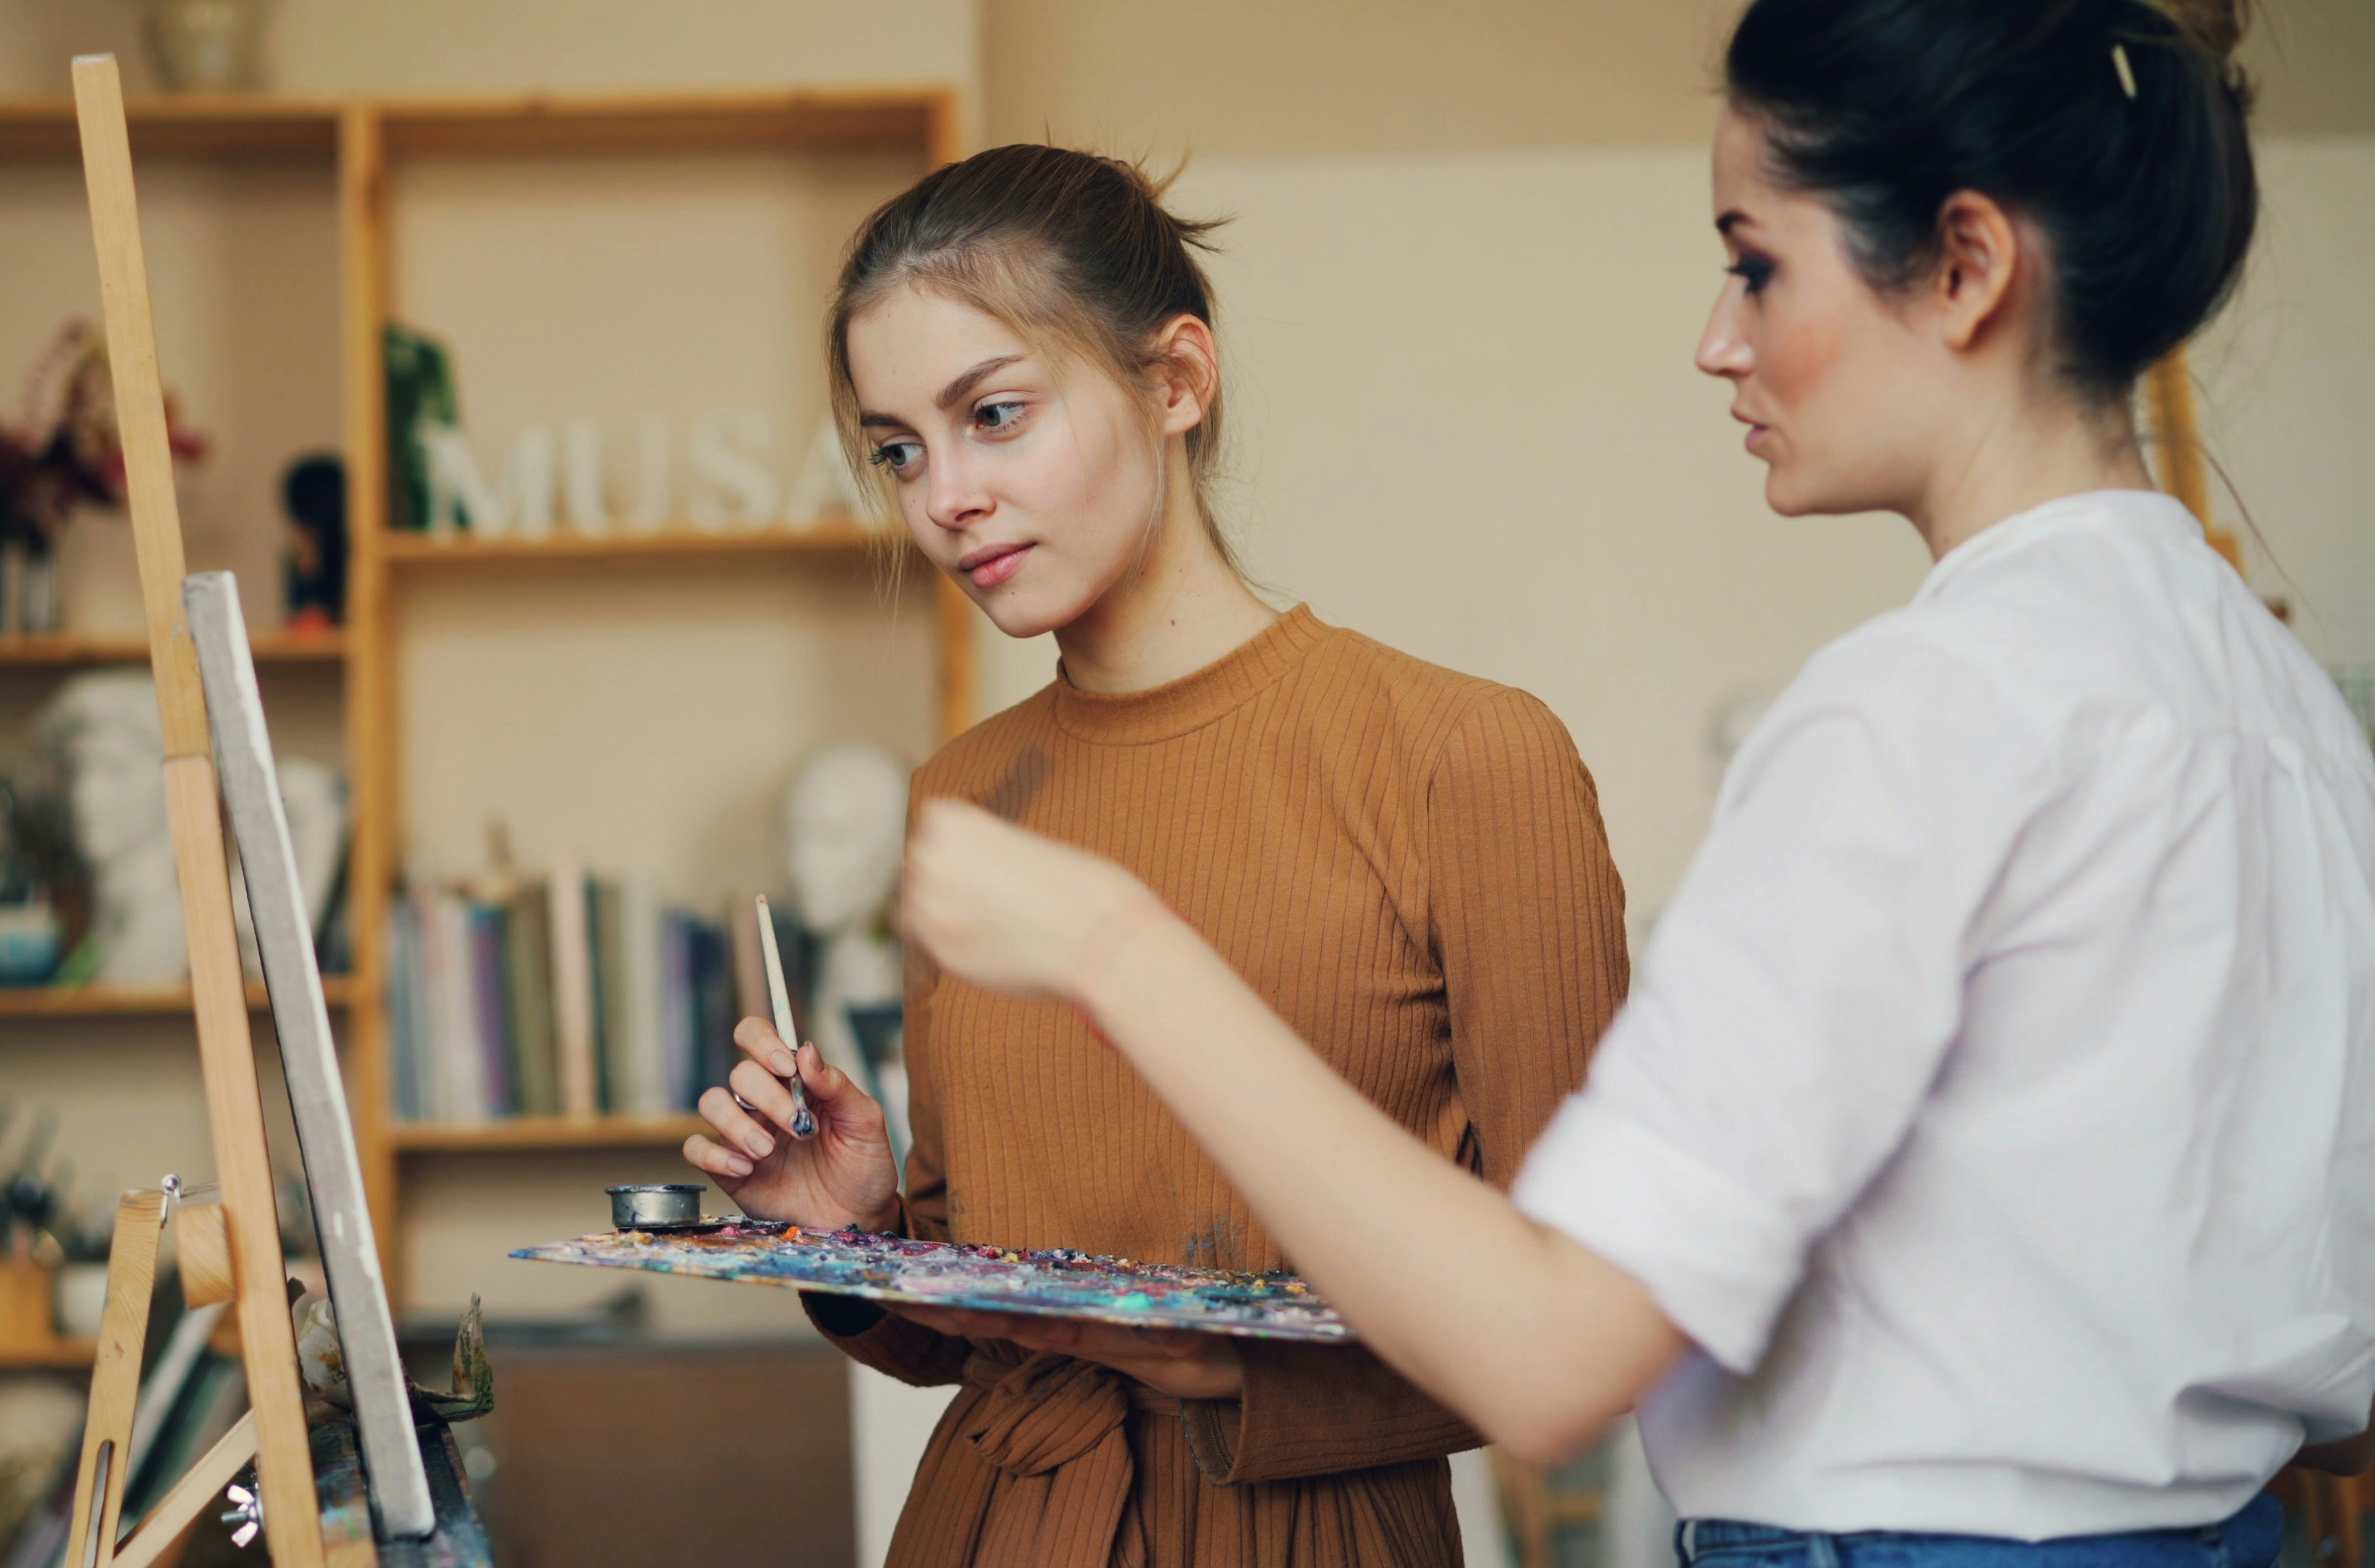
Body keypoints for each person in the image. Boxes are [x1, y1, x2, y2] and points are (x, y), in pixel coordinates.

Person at [895, 0, 2375, 1559]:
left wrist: (1116, 952)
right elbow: (2339, 1388)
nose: (1717, 337)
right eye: (898, 451)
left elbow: (1553, 1355)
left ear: (1965, 265)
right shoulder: (2291, 718)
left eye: (1755, 262)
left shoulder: (1918, 714)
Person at [682, 144, 1631, 1565]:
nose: (943, 495)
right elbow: (984, 1328)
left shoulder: (1466, 758)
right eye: (899, 449)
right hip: (982, 1525)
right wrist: (861, 1233)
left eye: (994, 415)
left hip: (1311, 1537)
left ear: (1177, 381)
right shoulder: (962, 800)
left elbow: (1591, 1308)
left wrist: (1242, 1376)